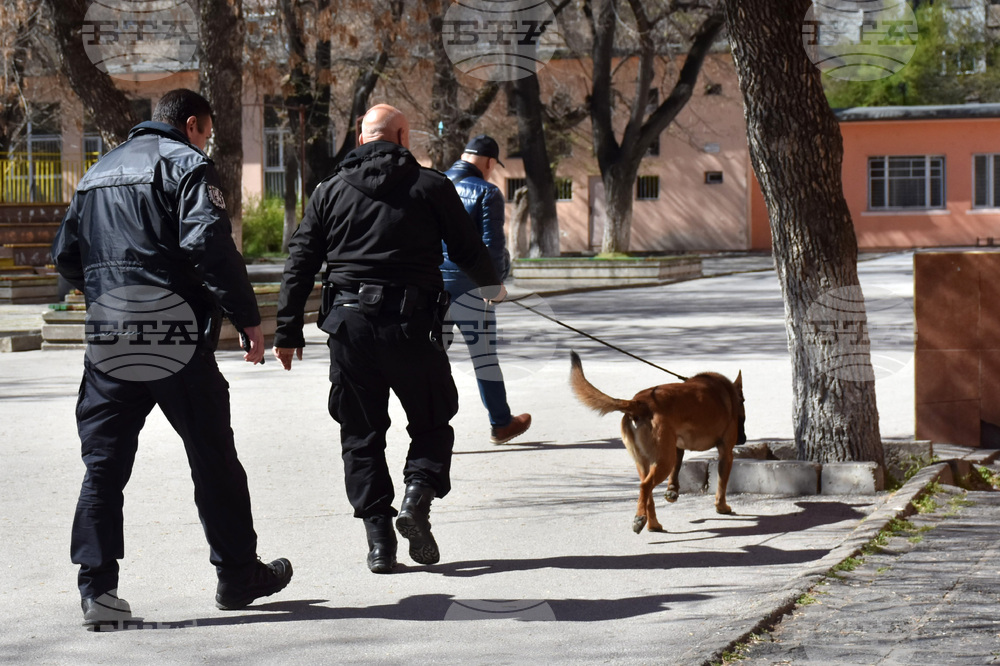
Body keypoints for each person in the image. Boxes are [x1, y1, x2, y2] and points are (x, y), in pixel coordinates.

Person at [52, 88, 292, 629]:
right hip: (172, 332)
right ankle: (236, 574)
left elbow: (66, 255)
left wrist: (104, 294)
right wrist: (248, 317)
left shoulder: (95, 174)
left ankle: (97, 589)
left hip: (109, 337)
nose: (206, 141)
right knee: (212, 455)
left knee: (103, 466)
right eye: (206, 132)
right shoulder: (187, 166)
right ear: (191, 125)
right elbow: (209, 243)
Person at [273, 104, 505, 574]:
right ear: (403, 136)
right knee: (433, 421)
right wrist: (492, 285)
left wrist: (287, 330)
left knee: (360, 435)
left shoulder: (329, 191)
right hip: (413, 327)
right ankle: (416, 498)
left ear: (361, 140)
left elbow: (300, 261)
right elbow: (467, 249)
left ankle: (379, 542)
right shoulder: (431, 185)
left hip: (350, 329)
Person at [441, 134, 531, 445]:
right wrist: (496, 285)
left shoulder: (431, 185)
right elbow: (492, 249)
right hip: (471, 290)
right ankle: (501, 423)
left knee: (431, 359)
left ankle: (431, 431)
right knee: (484, 358)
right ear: (490, 162)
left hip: (430, 289)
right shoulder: (487, 192)